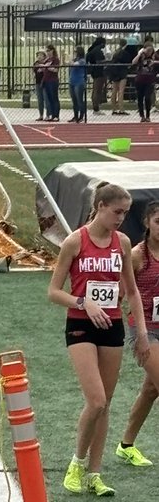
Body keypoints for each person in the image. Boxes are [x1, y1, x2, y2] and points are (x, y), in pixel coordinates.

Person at [48, 181, 150, 498]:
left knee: (105, 406)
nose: (121, 218)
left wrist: (142, 332)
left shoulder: (122, 243)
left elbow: (131, 291)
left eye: (126, 213)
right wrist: (83, 302)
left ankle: (95, 473)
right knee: (96, 400)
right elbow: (53, 291)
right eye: (117, 211)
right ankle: (76, 464)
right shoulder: (74, 242)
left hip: (113, 326)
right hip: (80, 326)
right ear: (101, 206)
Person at [116, 200, 159, 468]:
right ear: (147, 223)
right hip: (144, 327)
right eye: (158, 222)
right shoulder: (137, 255)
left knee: (152, 388)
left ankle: (126, 445)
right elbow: (122, 290)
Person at [107, 38, 138, 115]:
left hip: (114, 73)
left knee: (114, 91)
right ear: (126, 44)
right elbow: (128, 63)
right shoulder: (125, 53)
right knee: (121, 91)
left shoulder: (115, 52)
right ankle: (121, 109)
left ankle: (114, 109)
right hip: (122, 73)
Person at [132, 43, 157, 123]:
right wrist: (139, 54)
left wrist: (155, 62)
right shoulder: (141, 56)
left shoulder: (154, 56)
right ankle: (142, 115)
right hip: (140, 80)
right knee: (140, 98)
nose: (149, 52)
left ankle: (148, 115)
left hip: (149, 81)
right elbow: (133, 62)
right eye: (148, 50)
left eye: (151, 50)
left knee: (147, 97)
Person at [86, 36, 107, 114]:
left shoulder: (92, 50)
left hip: (94, 72)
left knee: (95, 89)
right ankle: (96, 108)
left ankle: (95, 106)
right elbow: (99, 62)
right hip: (99, 72)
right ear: (102, 43)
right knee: (97, 90)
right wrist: (107, 61)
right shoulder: (98, 51)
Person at [41, 43, 61, 122]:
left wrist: (47, 67)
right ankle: (52, 115)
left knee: (54, 98)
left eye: (48, 51)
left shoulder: (55, 59)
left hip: (53, 81)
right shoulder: (47, 60)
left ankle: (56, 115)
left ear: (52, 50)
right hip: (46, 80)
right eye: (46, 51)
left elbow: (56, 70)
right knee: (49, 99)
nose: (47, 52)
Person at [69, 44, 87, 123]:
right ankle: (75, 116)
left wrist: (69, 58)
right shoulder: (75, 59)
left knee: (79, 100)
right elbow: (68, 63)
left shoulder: (82, 60)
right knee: (74, 100)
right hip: (72, 82)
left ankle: (81, 116)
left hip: (79, 82)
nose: (74, 52)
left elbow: (74, 64)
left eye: (75, 51)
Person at [32, 49, 48, 120]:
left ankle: (48, 115)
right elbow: (35, 71)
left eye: (41, 55)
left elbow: (46, 70)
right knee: (40, 99)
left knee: (46, 99)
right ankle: (41, 115)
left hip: (45, 83)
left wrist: (42, 68)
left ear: (44, 56)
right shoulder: (36, 63)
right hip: (38, 83)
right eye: (38, 55)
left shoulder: (47, 63)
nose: (39, 56)